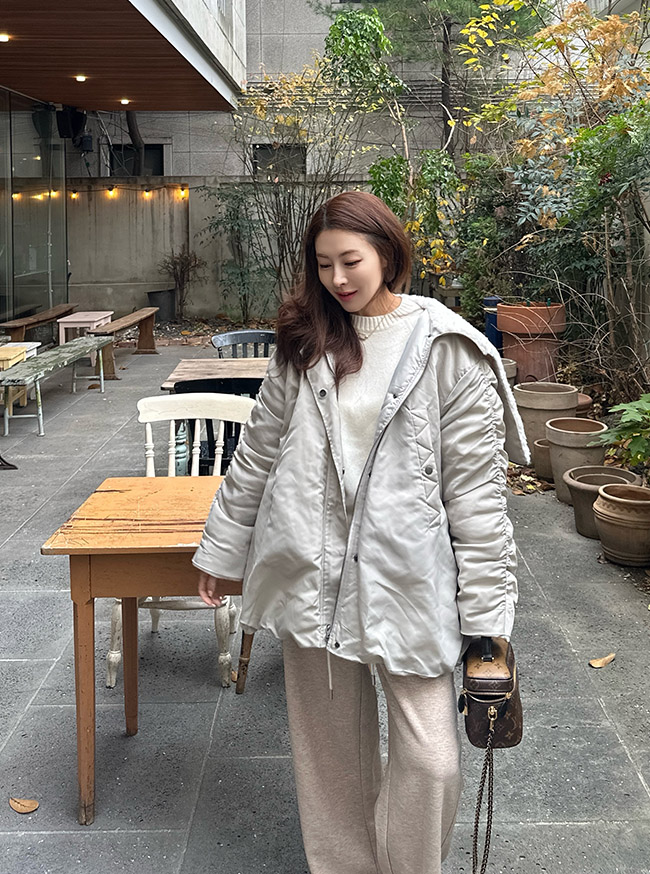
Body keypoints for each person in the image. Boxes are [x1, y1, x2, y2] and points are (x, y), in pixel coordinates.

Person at [193, 190, 530, 874]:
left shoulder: (446, 347)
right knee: (329, 760)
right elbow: (259, 451)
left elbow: (475, 495)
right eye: (323, 265)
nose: (338, 279)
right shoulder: (305, 341)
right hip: (310, 572)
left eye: (351, 261)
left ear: (388, 252)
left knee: (431, 759)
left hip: (406, 579)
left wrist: (487, 620)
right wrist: (223, 550)